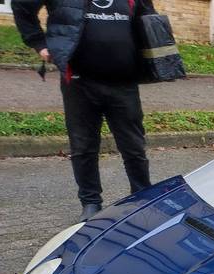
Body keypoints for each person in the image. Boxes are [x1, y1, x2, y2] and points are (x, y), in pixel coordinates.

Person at [12, 0, 155, 221]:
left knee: (134, 146)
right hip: (79, 82)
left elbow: (149, 20)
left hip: (124, 82)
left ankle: (141, 197)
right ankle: (90, 203)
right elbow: (22, 6)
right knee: (83, 147)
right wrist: (39, 43)